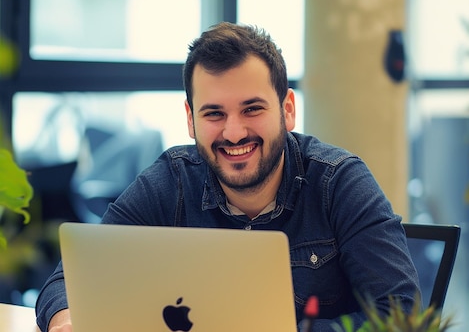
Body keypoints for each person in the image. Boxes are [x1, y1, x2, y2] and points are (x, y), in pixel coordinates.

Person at [35, 22, 420, 332]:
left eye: (252, 109)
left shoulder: (339, 181)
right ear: (190, 119)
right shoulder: (170, 181)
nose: (233, 133)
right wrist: (66, 322)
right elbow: (66, 281)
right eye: (214, 113)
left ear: (287, 109)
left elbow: (402, 315)